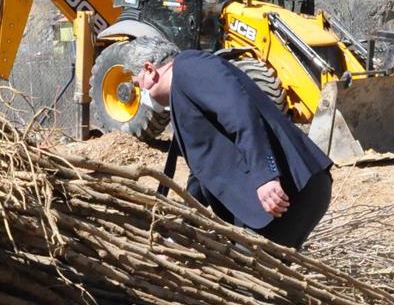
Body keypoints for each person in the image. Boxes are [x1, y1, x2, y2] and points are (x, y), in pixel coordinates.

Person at [131, 36, 333, 249]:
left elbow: (240, 113)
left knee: (248, 267)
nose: (141, 92)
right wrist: (184, 224)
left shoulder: (190, 67)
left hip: (290, 190)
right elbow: (203, 170)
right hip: (270, 205)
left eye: (138, 84)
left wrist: (265, 176)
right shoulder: (183, 93)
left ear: (150, 70)